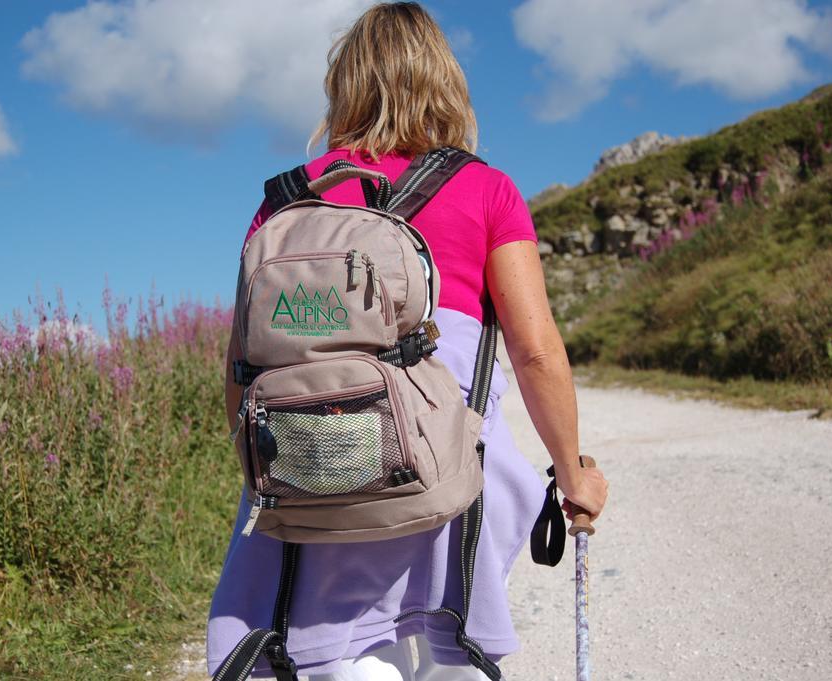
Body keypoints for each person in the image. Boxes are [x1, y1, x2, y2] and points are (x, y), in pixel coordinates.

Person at [207, 3, 609, 679]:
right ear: (444, 82)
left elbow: (240, 369)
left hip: (313, 478)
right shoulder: (485, 190)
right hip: (446, 483)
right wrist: (574, 476)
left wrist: (272, 480)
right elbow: (535, 352)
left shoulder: (283, 205)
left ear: (346, 87)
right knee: (446, 653)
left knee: (340, 658)